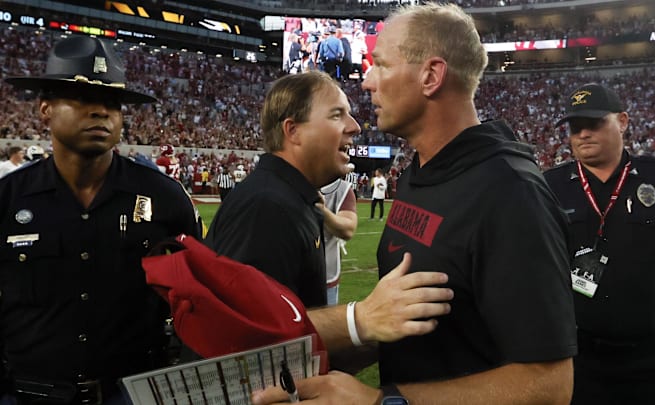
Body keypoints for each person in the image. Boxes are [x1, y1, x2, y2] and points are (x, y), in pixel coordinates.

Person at [252, 3, 576, 404]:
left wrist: (382, 402)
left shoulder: (511, 192)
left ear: (430, 76)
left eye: (381, 64)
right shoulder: (420, 172)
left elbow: (549, 385)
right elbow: (421, 328)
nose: (367, 81)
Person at [0, 35, 201, 404]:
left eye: (112, 102)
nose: (100, 111)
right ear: (44, 108)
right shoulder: (8, 199)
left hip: (133, 393)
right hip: (27, 394)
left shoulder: (166, 199)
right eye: (82, 98)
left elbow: (198, 304)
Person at [544, 83, 655, 404]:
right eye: (574, 126)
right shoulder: (548, 187)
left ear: (622, 121)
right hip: (579, 358)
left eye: (594, 123)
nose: (582, 134)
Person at [205, 71, 360, 307]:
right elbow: (254, 334)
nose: (355, 127)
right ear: (293, 131)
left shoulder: (290, 196)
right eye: (337, 115)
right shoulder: (267, 207)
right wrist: (358, 324)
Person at [318, 175, 358, 305]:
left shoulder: (341, 189)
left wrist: (322, 210)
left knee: (325, 324)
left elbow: (348, 229)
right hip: (286, 276)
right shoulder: (286, 181)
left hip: (326, 276)